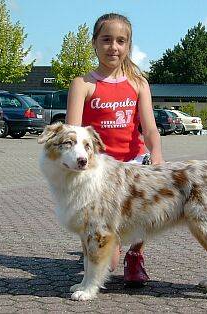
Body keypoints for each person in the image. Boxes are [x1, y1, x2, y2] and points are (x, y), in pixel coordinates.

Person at [66, 13, 164, 286]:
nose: (114, 47)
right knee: (104, 248)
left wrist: (156, 155)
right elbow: (73, 131)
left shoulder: (138, 83)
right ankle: (101, 250)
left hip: (133, 163)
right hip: (100, 169)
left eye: (121, 41)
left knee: (140, 214)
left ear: (129, 46)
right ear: (95, 43)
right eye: (106, 40)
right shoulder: (83, 84)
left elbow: (150, 129)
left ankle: (135, 257)